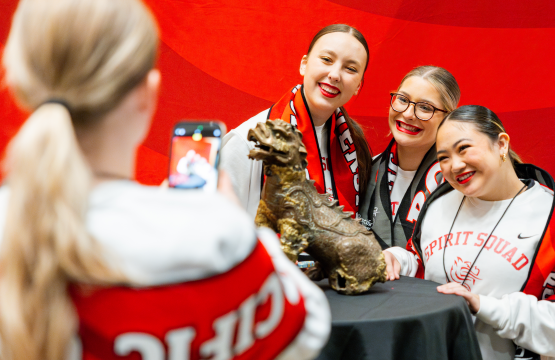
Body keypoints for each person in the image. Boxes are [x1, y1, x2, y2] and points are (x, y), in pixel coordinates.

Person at [0, 1, 330, 359]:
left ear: (18, 83)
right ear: (148, 93)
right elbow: (307, 328)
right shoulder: (217, 240)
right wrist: (240, 224)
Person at [382, 105, 555, 360]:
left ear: (501, 144)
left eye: (464, 148)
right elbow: (423, 264)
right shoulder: (436, 204)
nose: (455, 165)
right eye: (443, 157)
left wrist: (486, 307)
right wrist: (398, 260)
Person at [220, 24, 372, 219]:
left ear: (358, 86)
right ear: (304, 64)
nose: (335, 75)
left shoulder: (354, 148)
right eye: (326, 59)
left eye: (350, 68)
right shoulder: (251, 141)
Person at [359, 66, 460, 249]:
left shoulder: (456, 182)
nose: (407, 114)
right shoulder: (365, 170)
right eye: (402, 99)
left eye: (424, 107)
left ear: (448, 117)